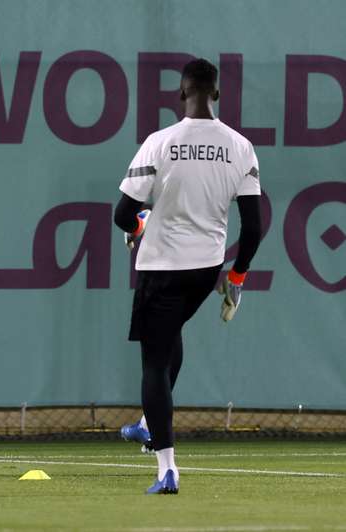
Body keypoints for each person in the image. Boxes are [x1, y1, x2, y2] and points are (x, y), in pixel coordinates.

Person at [114, 58, 262, 494]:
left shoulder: (160, 142)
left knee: (154, 363)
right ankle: (146, 423)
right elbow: (253, 228)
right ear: (215, 94)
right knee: (169, 334)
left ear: (182, 93)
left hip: (161, 268)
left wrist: (139, 225)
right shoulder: (240, 147)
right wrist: (236, 276)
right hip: (205, 270)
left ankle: (166, 467)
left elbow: (123, 214)